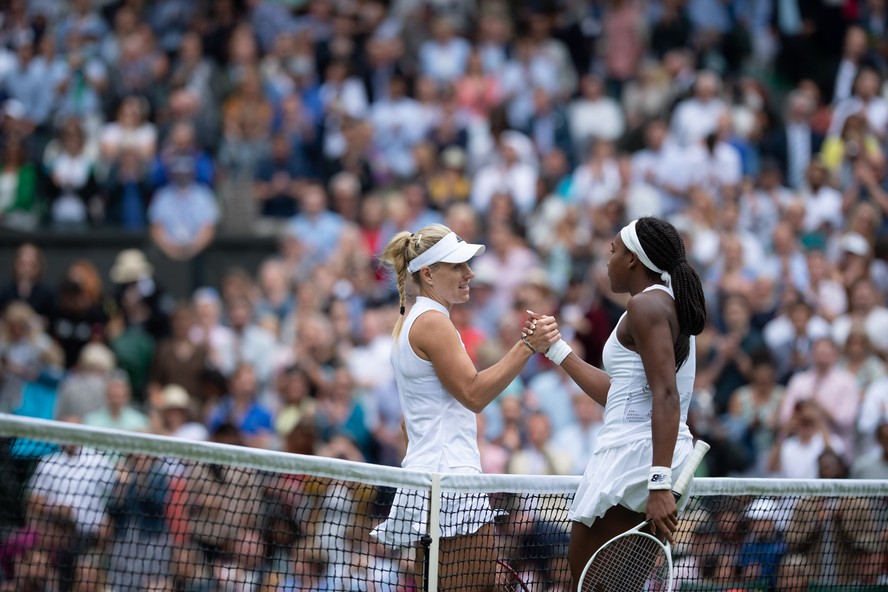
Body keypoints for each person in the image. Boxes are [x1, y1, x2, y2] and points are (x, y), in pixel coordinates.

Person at [371, 224, 560, 591]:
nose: (469, 273)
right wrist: (528, 346)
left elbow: (407, 427)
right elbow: (473, 395)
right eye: (458, 266)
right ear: (428, 273)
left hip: (433, 480)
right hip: (451, 483)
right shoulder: (433, 323)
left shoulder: (412, 321)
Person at [530, 216, 706, 587]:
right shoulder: (659, 305)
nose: (607, 260)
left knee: (588, 583)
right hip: (643, 454)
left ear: (632, 260)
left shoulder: (647, 307)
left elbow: (667, 394)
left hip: (639, 462)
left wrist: (657, 484)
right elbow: (620, 394)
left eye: (613, 251)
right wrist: (557, 350)